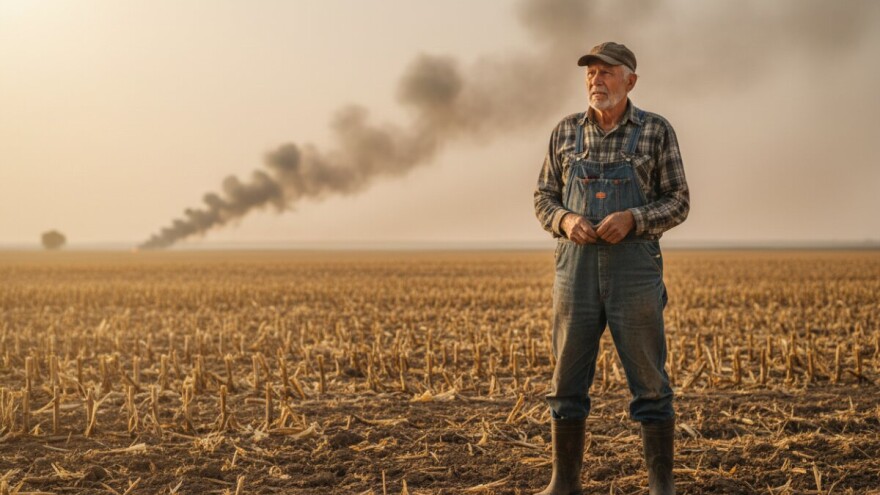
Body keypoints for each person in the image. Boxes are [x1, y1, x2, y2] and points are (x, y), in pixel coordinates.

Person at [533, 42, 689, 495]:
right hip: (574, 271)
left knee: (650, 383)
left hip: (634, 270)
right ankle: (563, 483)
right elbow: (543, 197)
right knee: (566, 382)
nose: (596, 81)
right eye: (590, 74)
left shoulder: (656, 131)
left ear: (630, 81)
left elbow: (679, 201)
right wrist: (565, 219)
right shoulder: (564, 132)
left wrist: (634, 219)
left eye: (606, 72)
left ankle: (662, 486)